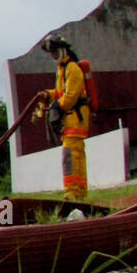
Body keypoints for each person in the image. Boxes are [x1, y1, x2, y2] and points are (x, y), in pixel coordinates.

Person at [34, 33, 90, 199]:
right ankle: (80, 192)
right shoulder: (62, 70)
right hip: (71, 120)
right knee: (76, 155)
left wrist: (56, 106)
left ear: (63, 50)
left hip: (75, 119)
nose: (53, 56)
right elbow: (60, 93)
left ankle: (72, 191)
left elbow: (71, 96)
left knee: (69, 155)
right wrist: (48, 95)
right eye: (51, 53)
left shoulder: (72, 68)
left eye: (55, 52)